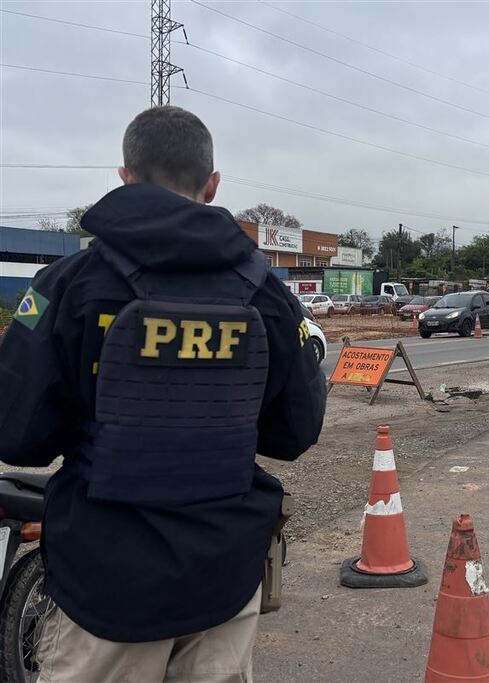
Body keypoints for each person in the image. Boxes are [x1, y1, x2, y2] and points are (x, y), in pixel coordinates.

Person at [0, 106, 326, 681]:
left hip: (104, 584)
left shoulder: (68, 285)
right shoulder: (267, 294)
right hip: (223, 577)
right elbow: (295, 433)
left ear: (124, 176)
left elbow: (16, 431)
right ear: (213, 184)